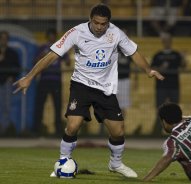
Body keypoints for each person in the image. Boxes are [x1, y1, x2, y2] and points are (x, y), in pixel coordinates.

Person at [13, 4, 164, 178]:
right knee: (73, 125)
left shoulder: (116, 33)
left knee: (118, 131)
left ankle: (115, 164)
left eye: (103, 24)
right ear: (90, 19)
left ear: (108, 23)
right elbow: (51, 56)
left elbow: (134, 53)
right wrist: (29, 77)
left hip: (105, 88)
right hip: (81, 85)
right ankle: (63, 162)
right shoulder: (76, 32)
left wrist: (148, 70)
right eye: (96, 23)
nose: (100, 27)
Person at [33, 28, 70, 136]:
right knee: (40, 105)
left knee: (57, 106)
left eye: (53, 35)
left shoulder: (60, 47)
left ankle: (58, 130)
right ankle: (36, 129)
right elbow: (35, 61)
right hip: (44, 80)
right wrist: (43, 55)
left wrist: (66, 53)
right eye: (50, 35)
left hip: (56, 80)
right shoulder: (43, 48)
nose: (52, 37)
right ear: (47, 37)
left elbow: (67, 62)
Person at [151, 33, 186, 135]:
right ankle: (157, 131)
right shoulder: (158, 55)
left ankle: (177, 132)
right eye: (164, 40)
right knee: (159, 109)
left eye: (168, 40)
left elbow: (183, 66)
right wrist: (160, 69)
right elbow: (152, 69)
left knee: (175, 110)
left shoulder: (176, 54)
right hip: (161, 86)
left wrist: (184, 58)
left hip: (174, 85)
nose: (166, 42)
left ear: (171, 41)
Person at [0, 31, 20, 134]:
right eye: (2, 38)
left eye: (5, 38)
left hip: (6, 82)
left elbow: (16, 67)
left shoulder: (12, 53)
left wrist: (12, 77)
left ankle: (4, 129)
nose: (3, 40)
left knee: (6, 106)